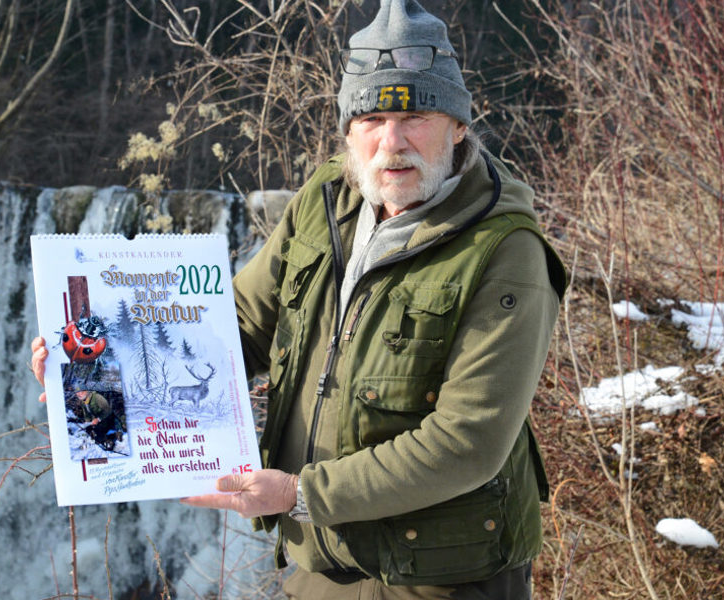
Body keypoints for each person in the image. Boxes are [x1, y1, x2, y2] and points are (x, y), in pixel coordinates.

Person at [32, 0, 566, 597]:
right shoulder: (328, 200)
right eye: (371, 119)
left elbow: (468, 443)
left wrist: (300, 494)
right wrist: (102, 374)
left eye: (415, 115)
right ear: (348, 130)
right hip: (318, 563)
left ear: (458, 125)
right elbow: (240, 326)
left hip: (444, 577)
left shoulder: (506, 251)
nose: (392, 143)